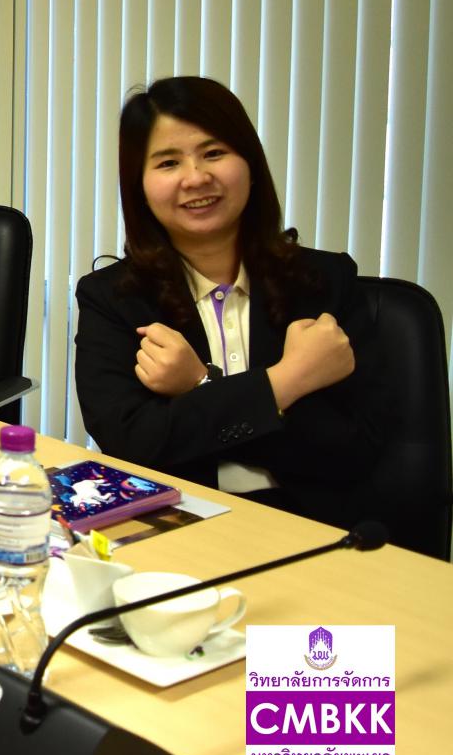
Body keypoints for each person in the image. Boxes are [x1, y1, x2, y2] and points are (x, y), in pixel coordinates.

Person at [74, 76, 383, 528]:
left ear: (250, 163)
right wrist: (287, 381)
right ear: (139, 184)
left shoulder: (324, 282)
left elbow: (353, 450)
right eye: (168, 162)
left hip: (312, 528)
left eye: (214, 153)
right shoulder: (112, 298)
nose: (197, 178)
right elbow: (134, 446)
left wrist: (197, 391)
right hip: (177, 528)